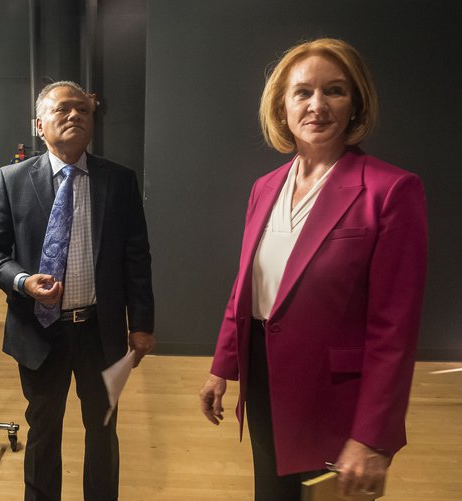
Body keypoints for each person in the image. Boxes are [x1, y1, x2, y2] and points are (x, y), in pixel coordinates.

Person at [199, 38, 427, 500]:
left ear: (354, 104)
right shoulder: (265, 187)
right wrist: (222, 366)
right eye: (303, 92)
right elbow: (248, 284)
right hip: (264, 380)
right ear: (282, 107)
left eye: (334, 91)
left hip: (334, 397)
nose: (317, 105)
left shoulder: (390, 190)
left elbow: (394, 329)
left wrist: (371, 436)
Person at [0, 81, 155, 500]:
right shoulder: (12, 180)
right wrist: (22, 281)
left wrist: (142, 324)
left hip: (101, 331)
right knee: (43, 430)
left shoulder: (120, 181)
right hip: (39, 331)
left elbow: (137, 258)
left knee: (104, 428)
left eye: (83, 109)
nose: (75, 115)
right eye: (62, 109)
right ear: (40, 125)